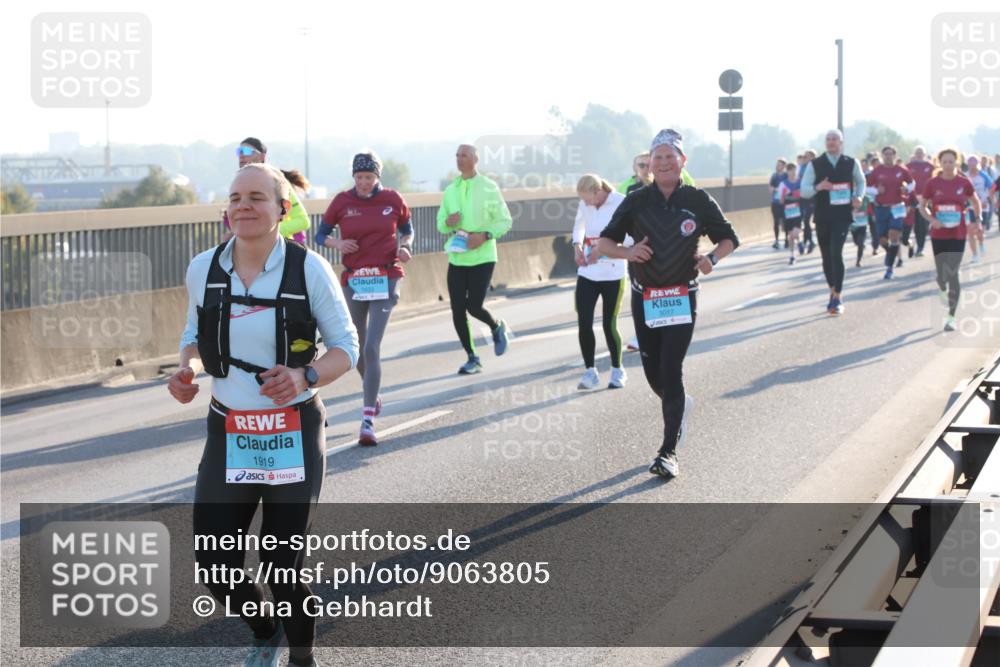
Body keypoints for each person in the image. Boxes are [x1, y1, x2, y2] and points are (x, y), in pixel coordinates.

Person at [168, 162, 359, 667]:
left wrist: (304, 377)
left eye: (256, 197)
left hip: (292, 430)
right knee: (214, 563)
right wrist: (186, 369)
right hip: (230, 428)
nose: (243, 207)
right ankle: (263, 628)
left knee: (282, 565)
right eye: (235, 198)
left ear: (281, 209)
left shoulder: (308, 269)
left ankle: (301, 655)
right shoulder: (203, 267)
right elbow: (193, 335)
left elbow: (346, 348)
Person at [597, 129, 739, 479]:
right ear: (649, 163)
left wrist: (712, 260)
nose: (662, 163)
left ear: (681, 162)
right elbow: (604, 243)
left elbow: (729, 238)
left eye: (669, 157)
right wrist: (628, 251)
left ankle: (667, 452)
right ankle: (679, 408)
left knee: (672, 369)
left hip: (680, 297)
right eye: (656, 158)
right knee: (654, 375)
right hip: (645, 297)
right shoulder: (636, 200)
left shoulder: (698, 199)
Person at [316, 152, 413, 446]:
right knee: (355, 346)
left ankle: (367, 420)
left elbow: (407, 230)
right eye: (359, 177)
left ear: (377, 178)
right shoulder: (343, 201)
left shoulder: (393, 200)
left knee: (372, 346)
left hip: (386, 276)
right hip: (355, 278)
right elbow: (321, 234)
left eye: (369, 178)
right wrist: (338, 242)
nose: (363, 183)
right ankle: (373, 390)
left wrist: (406, 246)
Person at [437, 144, 514, 374]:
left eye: (465, 155)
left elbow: (504, 221)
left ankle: (496, 325)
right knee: (457, 309)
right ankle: (472, 357)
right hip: (458, 256)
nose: (460, 159)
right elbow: (440, 222)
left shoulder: (489, 187)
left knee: (474, 306)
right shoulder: (451, 190)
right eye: (457, 155)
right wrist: (448, 222)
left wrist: (485, 235)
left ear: (475, 159)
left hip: (483, 256)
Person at [572, 175, 630, 390]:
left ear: (598, 191)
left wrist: (602, 250)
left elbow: (630, 237)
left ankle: (617, 370)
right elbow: (578, 225)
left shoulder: (621, 202)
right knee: (584, 322)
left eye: (588, 199)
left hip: (613, 273)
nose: (585, 204)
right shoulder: (585, 203)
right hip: (588, 272)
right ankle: (590, 372)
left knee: (608, 323)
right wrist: (577, 245)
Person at [800, 129, 866, 315]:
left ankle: (837, 296)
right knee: (827, 257)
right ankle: (832, 290)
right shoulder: (815, 164)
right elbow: (804, 190)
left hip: (842, 216)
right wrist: (819, 186)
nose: (831, 142)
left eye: (834, 139)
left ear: (841, 142)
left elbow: (861, 182)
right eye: (828, 139)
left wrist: (859, 196)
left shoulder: (851, 163)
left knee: (836, 253)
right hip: (822, 216)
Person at [920, 148, 982, 332]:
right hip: (939, 233)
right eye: (944, 162)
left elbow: (975, 201)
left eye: (951, 161)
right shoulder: (933, 183)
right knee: (942, 275)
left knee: (952, 272)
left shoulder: (964, 182)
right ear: (940, 163)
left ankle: (951, 317)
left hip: (958, 233)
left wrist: (977, 220)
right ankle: (941, 285)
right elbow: (922, 207)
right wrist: (932, 220)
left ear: (957, 162)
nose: (948, 165)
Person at [223, 137, 312, 245]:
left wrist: (266, 232)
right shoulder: (240, 184)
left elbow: (303, 221)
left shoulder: (278, 182)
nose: (241, 155)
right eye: (239, 151)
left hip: (282, 252)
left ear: (262, 156)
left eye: (246, 151)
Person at [866, 145, 914, 279]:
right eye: (885, 154)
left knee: (894, 235)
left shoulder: (901, 170)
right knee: (882, 239)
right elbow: (866, 188)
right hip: (881, 207)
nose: (888, 156)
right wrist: (876, 191)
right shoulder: (877, 171)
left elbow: (912, 184)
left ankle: (889, 267)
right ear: (882, 156)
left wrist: (906, 189)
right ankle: (890, 253)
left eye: (890, 154)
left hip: (897, 207)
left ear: (894, 155)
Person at [906, 146, 936, 257]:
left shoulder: (930, 167)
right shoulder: (909, 166)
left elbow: (936, 181)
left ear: (924, 154)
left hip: (926, 199)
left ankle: (920, 247)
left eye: (921, 152)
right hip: (912, 199)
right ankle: (908, 242)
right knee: (910, 225)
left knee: (922, 224)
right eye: (917, 152)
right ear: (914, 154)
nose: (919, 154)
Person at [967, 156, 993, 261]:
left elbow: (992, 188)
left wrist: (986, 199)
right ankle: (974, 254)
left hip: (983, 207)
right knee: (970, 231)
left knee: (979, 231)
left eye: (974, 165)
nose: (973, 167)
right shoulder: (965, 176)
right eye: (970, 165)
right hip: (969, 207)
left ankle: (981, 243)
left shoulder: (984, 176)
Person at [777, 162, 804, 264]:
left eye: (794, 170)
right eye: (790, 170)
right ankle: (792, 256)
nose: (792, 172)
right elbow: (780, 201)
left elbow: (804, 195)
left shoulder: (800, 183)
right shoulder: (783, 185)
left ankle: (800, 242)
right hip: (788, 212)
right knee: (791, 235)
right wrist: (784, 196)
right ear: (787, 171)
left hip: (798, 211)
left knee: (795, 232)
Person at [799, 150, 818, 253]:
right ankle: (808, 240)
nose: (805, 158)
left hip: (813, 195)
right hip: (803, 196)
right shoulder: (802, 167)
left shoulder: (816, 166)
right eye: (804, 156)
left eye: (807, 156)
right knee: (805, 220)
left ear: (812, 157)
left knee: (813, 220)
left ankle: (810, 240)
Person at [768, 158, 788, 249]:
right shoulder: (774, 176)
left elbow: (788, 187)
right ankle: (776, 240)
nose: (777, 166)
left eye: (779, 165)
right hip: (775, 202)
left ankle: (787, 239)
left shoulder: (786, 176)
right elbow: (771, 187)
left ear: (784, 166)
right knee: (776, 221)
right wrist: (773, 189)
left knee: (786, 221)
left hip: (785, 202)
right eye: (777, 164)